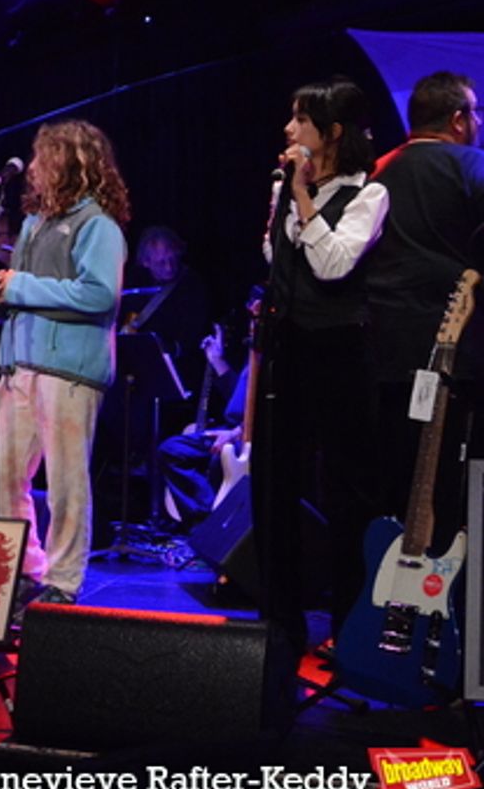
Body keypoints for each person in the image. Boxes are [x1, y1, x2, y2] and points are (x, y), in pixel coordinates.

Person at [254, 77, 389, 650]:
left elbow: (334, 265)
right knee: (273, 483)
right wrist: (284, 203)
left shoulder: (369, 194)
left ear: (332, 133)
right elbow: (275, 255)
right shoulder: (288, 186)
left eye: (301, 121)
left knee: (344, 492)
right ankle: (280, 622)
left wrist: (304, 197)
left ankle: (348, 626)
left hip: (338, 352)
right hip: (288, 347)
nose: (289, 130)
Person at [0, 119, 131, 606]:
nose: (36, 167)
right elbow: (22, 291)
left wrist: (19, 287)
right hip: (19, 366)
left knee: (66, 480)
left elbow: (100, 293)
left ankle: (64, 581)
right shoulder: (32, 224)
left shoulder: (98, 226)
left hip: (68, 371)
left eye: (44, 157)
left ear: (71, 162)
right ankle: (27, 568)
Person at [366, 71, 484, 544]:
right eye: (474, 113)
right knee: (450, 491)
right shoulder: (471, 164)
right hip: (456, 354)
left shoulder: (376, 172)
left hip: (381, 353)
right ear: (458, 120)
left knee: (393, 484)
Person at [154, 321, 251, 526]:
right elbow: (237, 398)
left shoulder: (267, 357)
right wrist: (216, 360)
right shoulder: (251, 354)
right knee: (172, 449)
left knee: (218, 462)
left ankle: (210, 524)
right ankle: (204, 522)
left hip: (248, 434)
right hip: (231, 429)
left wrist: (235, 433)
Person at [121, 225, 209, 388]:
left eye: (172, 259)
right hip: (136, 370)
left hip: (178, 370)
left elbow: (193, 331)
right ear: (146, 262)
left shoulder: (190, 283)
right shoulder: (134, 282)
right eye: (161, 263)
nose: (169, 267)